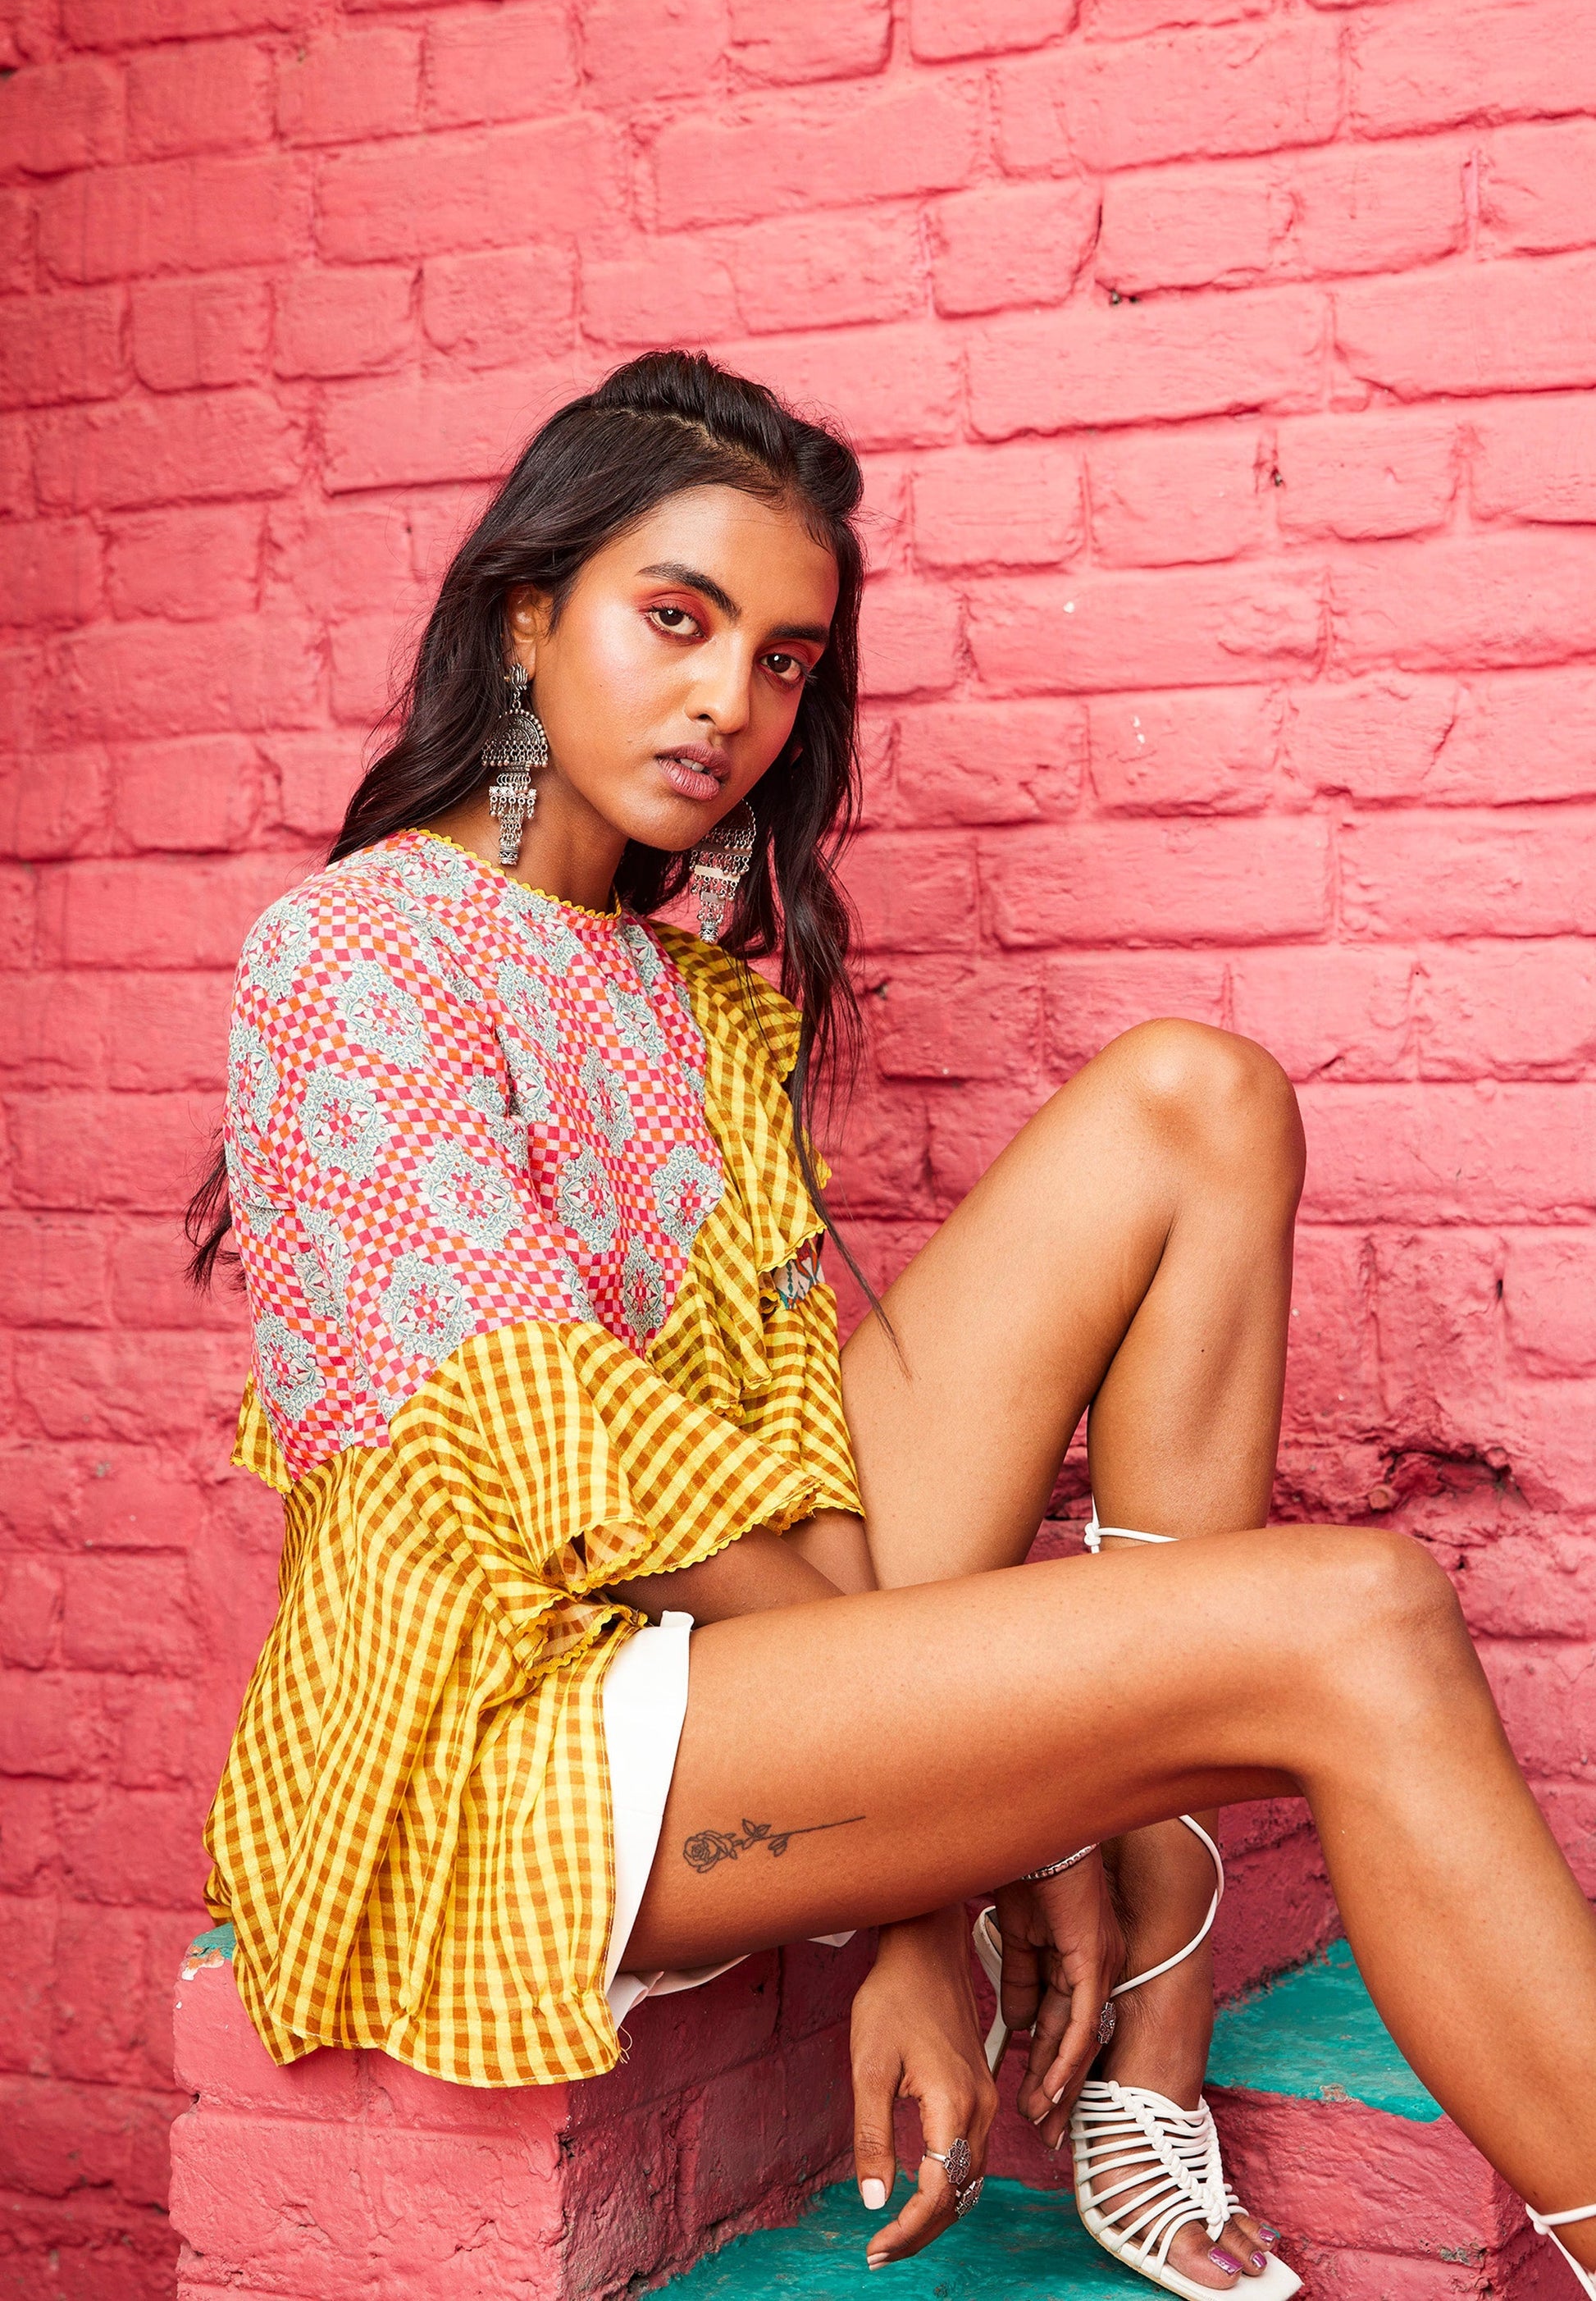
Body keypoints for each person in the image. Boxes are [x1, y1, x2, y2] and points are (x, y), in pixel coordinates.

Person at [189, 350, 1596, 2299]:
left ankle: (1146, 2045)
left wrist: (941, 1856)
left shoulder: (700, 1003)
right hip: (506, 1722)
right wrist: (997, 1837)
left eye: (781, 660)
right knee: (1353, 1612)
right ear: (525, 615)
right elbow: (556, 1461)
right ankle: (1173, 1942)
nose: (728, 702)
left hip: (726, 1652)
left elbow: (790, 1445)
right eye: (675, 620)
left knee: (1198, 1098)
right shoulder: (349, 952)